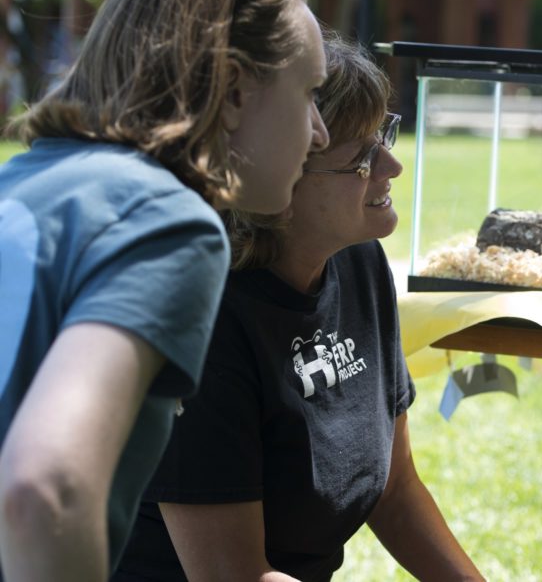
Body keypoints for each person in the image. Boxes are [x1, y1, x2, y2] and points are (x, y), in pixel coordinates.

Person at [0, 0, 328, 580]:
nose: (318, 131)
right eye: (309, 92)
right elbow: (46, 488)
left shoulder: (26, 183)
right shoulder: (168, 221)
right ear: (234, 90)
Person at [114, 36, 483, 582]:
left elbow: (395, 489)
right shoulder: (203, 318)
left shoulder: (359, 262)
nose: (392, 164)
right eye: (361, 156)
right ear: (276, 177)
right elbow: (235, 576)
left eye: (383, 133)